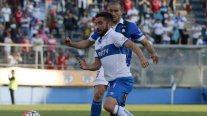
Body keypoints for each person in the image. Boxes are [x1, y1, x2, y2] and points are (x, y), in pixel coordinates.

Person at [64, 1, 159, 115]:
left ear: (122, 11)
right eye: (111, 11)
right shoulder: (100, 30)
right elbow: (87, 43)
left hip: (121, 67)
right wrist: (72, 44)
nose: (113, 13)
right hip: (105, 66)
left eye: (116, 11)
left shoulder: (129, 26)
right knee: (98, 93)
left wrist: (152, 53)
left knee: (112, 108)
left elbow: (144, 42)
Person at [77, 12, 149, 116]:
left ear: (109, 24)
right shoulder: (98, 42)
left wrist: (142, 58)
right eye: (96, 23)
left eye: (100, 23)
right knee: (113, 111)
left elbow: (132, 44)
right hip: (112, 82)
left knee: (108, 105)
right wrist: (87, 66)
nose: (97, 26)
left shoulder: (115, 36)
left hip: (122, 79)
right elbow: (97, 65)